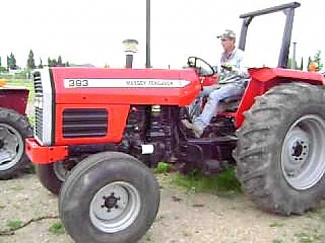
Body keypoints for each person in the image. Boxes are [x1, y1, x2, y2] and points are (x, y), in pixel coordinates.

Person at [183, 29, 248, 138]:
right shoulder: (222, 56)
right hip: (221, 85)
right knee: (196, 91)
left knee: (214, 95)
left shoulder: (241, 55)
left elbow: (246, 73)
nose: (222, 43)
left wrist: (233, 69)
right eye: (221, 40)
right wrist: (200, 70)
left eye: (224, 40)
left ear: (232, 41)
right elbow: (215, 72)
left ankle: (199, 127)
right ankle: (190, 120)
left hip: (236, 85)